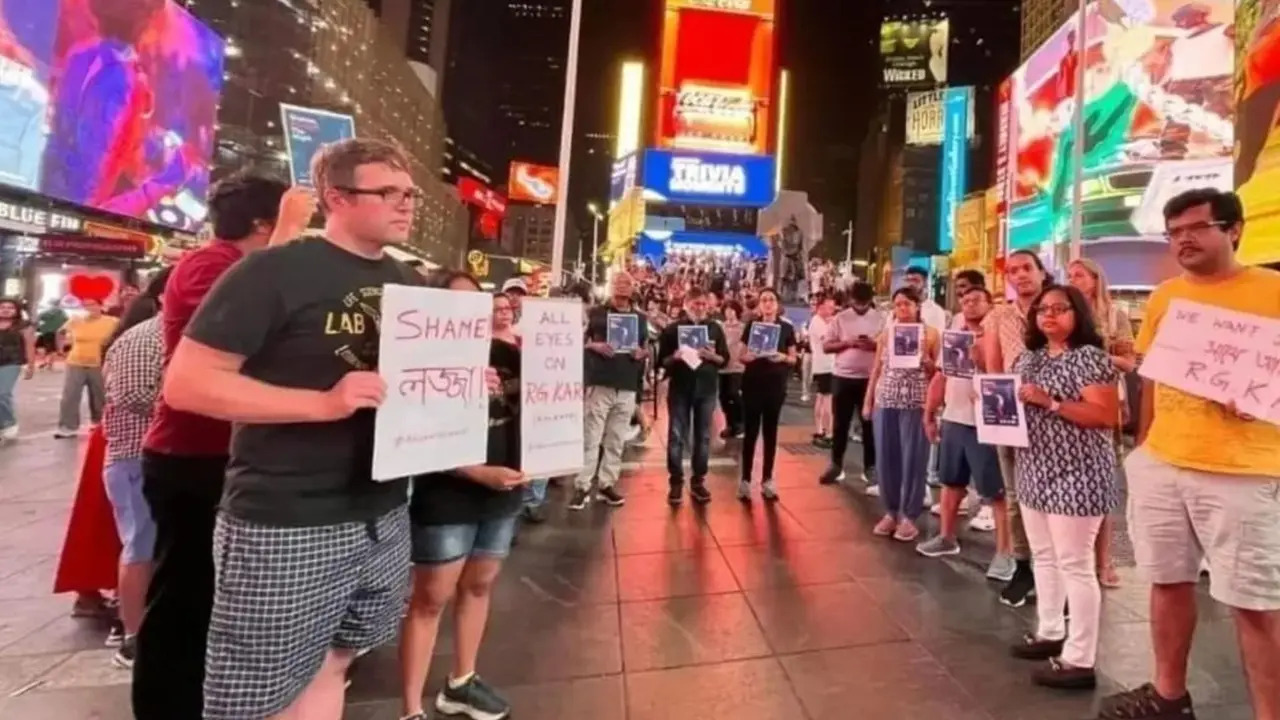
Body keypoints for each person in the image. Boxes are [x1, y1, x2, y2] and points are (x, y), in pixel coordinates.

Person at [162, 139, 418, 719]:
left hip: (384, 508)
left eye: (409, 194)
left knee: (335, 662)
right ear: (336, 198)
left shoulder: (412, 283)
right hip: (287, 515)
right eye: (389, 193)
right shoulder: (273, 271)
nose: (405, 206)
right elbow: (189, 383)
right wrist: (322, 404)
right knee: (258, 692)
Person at [132, 173, 310, 718]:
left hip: (224, 455)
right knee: (183, 598)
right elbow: (254, 315)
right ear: (265, 224)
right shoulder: (206, 266)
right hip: (190, 456)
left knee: (213, 598)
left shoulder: (229, 264)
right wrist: (290, 232)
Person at [1098, 189, 1280, 720]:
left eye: (1196, 228)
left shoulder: (1271, 291)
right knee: (1167, 580)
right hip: (1165, 463)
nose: (1183, 240)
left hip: (1242, 471)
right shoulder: (1165, 296)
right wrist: (1144, 445)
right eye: (1174, 232)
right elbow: (1153, 374)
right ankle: (1169, 697)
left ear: (1234, 230)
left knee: (1253, 602)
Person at [400, 274, 524, 720]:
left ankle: (462, 681)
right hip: (448, 493)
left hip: (504, 490)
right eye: (457, 304)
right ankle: (411, 708)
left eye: (479, 302)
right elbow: (409, 434)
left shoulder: (510, 354)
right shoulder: (414, 360)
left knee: (480, 585)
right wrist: (475, 472)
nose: (473, 312)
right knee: (431, 598)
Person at [1007, 285, 1119, 691]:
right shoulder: (1029, 358)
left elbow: (1105, 415)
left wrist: (1049, 401)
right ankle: (1050, 631)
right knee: (1043, 557)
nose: (1049, 315)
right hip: (1035, 467)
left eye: (1060, 309)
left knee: (1075, 563)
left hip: (1079, 472)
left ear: (1079, 314)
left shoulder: (1090, 358)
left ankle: (1080, 657)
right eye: (1043, 310)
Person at [917, 285, 1015, 582]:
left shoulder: (999, 337)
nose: (969, 305)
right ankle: (947, 537)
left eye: (976, 300)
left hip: (985, 423)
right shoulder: (955, 334)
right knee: (950, 483)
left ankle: (1005, 552)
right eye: (965, 300)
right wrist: (930, 412)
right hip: (954, 418)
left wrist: (981, 360)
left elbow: (1005, 378)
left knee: (996, 492)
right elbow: (941, 376)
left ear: (989, 304)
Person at [99, 268, 171, 669]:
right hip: (136, 458)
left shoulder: (185, 337)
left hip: (168, 460)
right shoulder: (145, 338)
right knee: (141, 545)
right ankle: (134, 638)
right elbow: (132, 395)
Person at [979, 249, 1049, 608]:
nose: (1020, 275)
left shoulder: (1058, 307)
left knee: (1053, 498)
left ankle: (1054, 574)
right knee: (1014, 495)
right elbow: (993, 366)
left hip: (1054, 414)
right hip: (1011, 410)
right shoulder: (999, 315)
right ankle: (1023, 565)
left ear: (1041, 271)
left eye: (1026, 268)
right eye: (1013, 271)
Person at [1066, 257, 1135, 590]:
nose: (1073, 279)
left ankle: (1105, 562)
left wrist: (1098, 359)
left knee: (1104, 488)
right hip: (1066, 408)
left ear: (1095, 279)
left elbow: (1129, 362)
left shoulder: (1114, 316)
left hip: (1104, 406)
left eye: (1079, 274)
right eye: (1069, 275)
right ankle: (1072, 562)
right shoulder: (1063, 314)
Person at [863, 287, 939, 542]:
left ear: (918, 306)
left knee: (913, 461)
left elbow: (939, 373)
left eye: (907, 304)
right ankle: (891, 510)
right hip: (886, 401)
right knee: (887, 459)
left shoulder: (930, 335)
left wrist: (927, 363)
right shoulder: (886, 334)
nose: (902, 309)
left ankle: (909, 515)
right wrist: (869, 401)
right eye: (898, 305)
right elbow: (876, 369)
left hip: (917, 403)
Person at [570, 272, 647, 511]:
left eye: (627, 283)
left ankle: (606, 484)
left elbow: (645, 348)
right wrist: (595, 345)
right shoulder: (596, 313)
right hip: (600, 382)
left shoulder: (640, 318)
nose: (623, 286)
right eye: (618, 282)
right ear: (611, 286)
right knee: (591, 436)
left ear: (633, 288)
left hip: (626, 384)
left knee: (615, 438)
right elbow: (577, 341)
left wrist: (640, 353)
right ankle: (582, 485)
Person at [657, 287, 729, 505]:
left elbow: (724, 359)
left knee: (703, 436)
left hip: (706, 388)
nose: (700, 308)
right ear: (687, 304)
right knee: (677, 435)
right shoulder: (672, 329)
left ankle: (698, 480)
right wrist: (675, 357)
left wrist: (711, 355)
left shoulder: (715, 328)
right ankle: (676, 480)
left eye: (704, 304)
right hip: (680, 387)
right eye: (696, 303)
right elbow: (662, 361)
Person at [738, 287, 798, 502]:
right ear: (759, 305)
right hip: (753, 383)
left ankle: (767, 479)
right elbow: (740, 356)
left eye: (771, 299)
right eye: (763, 300)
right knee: (751, 432)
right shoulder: (752, 326)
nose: (767, 303)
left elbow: (793, 358)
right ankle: (745, 479)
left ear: (777, 304)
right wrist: (750, 357)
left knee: (770, 433)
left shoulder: (786, 328)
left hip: (775, 384)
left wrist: (781, 357)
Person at [820, 282, 882, 487]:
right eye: (857, 302)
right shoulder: (841, 318)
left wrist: (873, 345)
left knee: (869, 425)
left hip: (870, 378)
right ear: (851, 300)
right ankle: (836, 464)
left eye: (865, 303)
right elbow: (826, 346)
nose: (861, 307)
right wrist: (848, 343)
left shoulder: (882, 318)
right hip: (843, 377)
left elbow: (888, 345)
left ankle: (870, 467)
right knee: (840, 424)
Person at [54, 298, 117, 438]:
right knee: (70, 395)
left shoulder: (112, 321)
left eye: (93, 304)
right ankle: (67, 427)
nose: (90, 308)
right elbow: (60, 332)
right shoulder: (76, 320)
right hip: (76, 361)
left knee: (99, 395)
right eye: (86, 305)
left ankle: (100, 424)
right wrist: (60, 349)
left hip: (100, 363)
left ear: (101, 305)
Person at [0, 298, 33, 441]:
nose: (6, 309)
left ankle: (9, 423)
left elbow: (29, 346)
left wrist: (31, 366)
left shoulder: (24, 326)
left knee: (3, 393)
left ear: (17, 310)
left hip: (12, 363)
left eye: (10, 307)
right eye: (3, 307)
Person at [807, 293, 837, 448]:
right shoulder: (818, 323)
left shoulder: (820, 322)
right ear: (820, 307)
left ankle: (820, 429)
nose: (832, 310)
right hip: (826, 366)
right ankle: (829, 432)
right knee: (828, 400)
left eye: (833, 307)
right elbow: (829, 340)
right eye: (829, 307)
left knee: (821, 398)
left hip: (823, 365)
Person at [717, 300, 746, 440]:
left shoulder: (743, 328)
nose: (729, 312)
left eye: (732, 309)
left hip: (737, 367)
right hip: (723, 367)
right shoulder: (720, 327)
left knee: (734, 394)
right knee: (723, 397)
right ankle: (730, 424)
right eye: (726, 310)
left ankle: (740, 423)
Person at [34, 304, 66, 369]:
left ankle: (45, 361)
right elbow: (66, 322)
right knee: (52, 349)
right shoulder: (63, 314)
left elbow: (37, 320)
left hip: (46, 332)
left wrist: (39, 327)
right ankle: (49, 363)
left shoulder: (45, 312)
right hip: (57, 332)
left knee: (40, 346)